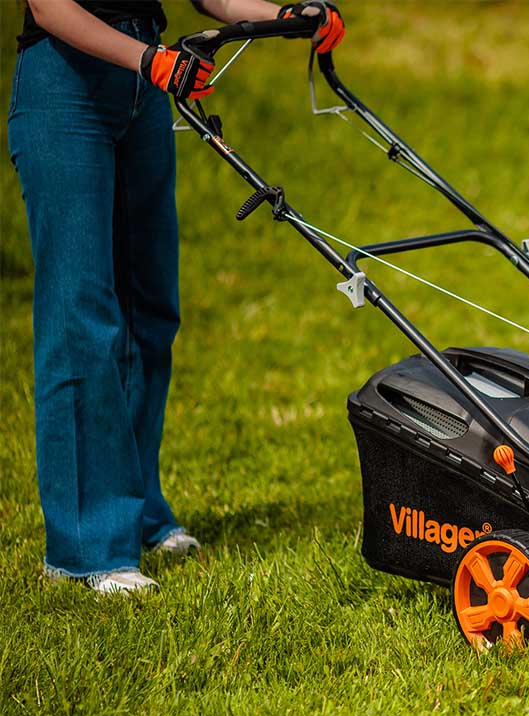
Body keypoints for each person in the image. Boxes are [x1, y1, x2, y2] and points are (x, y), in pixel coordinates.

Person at [9, 0, 344, 594]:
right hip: (66, 88)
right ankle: (85, 549)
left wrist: (291, 16)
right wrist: (149, 60)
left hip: (144, 89)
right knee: (80, 317)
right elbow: (50, 7)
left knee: (150, 311)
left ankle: (137, 511)